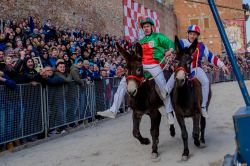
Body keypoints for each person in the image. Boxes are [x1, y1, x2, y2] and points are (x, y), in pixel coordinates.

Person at [97, 17, 175, 124]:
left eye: (147, 26)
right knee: (124, 82)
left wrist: (170, 50)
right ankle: (113, 110)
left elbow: (171, 44)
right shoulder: (141, 41)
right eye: (144, 27)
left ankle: (169, 112)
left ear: (152, 27)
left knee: (163, 87)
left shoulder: (158, 37)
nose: (146, 28)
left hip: (155, 65)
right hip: (142, 65)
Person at [165, 25, 229, 118]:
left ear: (197, 36)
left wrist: (222, 65)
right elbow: (175, 50)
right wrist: (170, 52)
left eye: (194, 34)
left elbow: (211, 56)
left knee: (206, 82)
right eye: (191, 34)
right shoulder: (182, 42)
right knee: (173, 78)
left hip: (196, 68)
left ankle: (203, 107)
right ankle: (165, 92)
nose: (192, 36)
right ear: (188, 34)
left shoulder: (201, 45)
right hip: (182, 68)